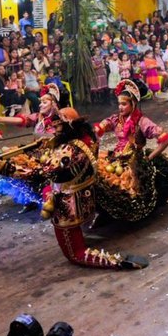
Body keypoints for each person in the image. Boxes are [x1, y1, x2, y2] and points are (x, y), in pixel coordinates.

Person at [38, 107, 148, 269]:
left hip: (68, 206)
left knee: (75, 254)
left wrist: (4, 166)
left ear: (68, 126)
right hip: (85, 197)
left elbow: (44, 171)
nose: (54, 131)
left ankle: (116, 261)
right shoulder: (87, 138)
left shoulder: (69, 150)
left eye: (58, 127)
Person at [93, 80, 168, 223]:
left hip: (134, 160)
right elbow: (99, 129)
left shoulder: (142, 121)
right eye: (119, 104)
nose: (120, 107)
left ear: (133, 104)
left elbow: (165, 140)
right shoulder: (116, 119)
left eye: (124, 104)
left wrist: (150, 158)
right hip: (117, 156)